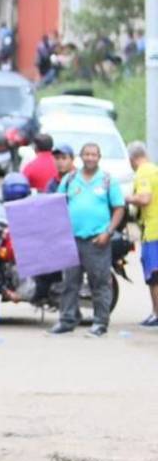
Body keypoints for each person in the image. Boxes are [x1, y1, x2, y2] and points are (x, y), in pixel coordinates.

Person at [49, 143, 125, 337]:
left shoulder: (108, 180)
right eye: (87, 154)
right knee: (69, 283)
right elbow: (56, 205)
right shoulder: (70, 179)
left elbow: (119, 208)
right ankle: (66, 321)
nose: (90, 157)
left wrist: (108, 232)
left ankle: (100, 323)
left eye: (94, 154)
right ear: (80, 157)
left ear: (99, 157)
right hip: (72, 240)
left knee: (99, 283)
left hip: (97, 240)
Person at [126, 141, 158, 326]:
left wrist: (127, 197)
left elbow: (145, 198)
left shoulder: (143, 172)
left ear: (132, 159)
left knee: (154, 275)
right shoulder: (154, 169)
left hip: (153, 231)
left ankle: (157, 313)